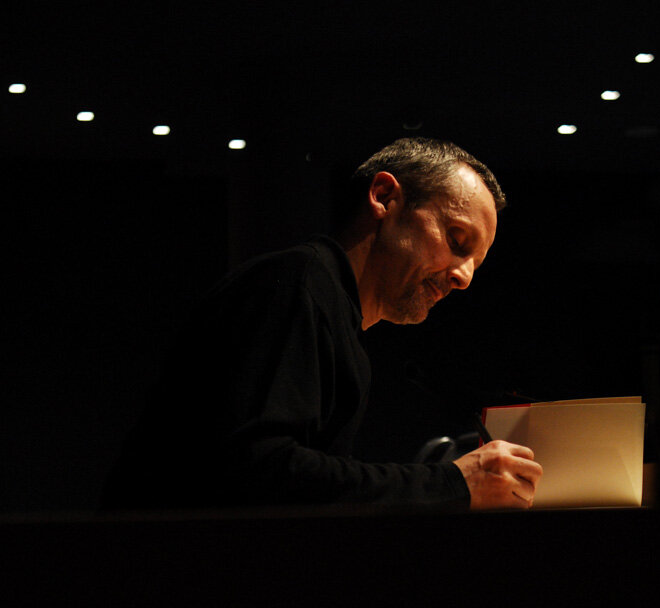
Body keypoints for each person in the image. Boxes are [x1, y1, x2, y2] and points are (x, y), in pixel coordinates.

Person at [101, 137, 542, 511]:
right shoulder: (295, 285)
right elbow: (263, 472)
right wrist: (450, 484)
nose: (462, 277)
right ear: (385, 197)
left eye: (474, 265)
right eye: (456, 240)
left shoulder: (329, 307)